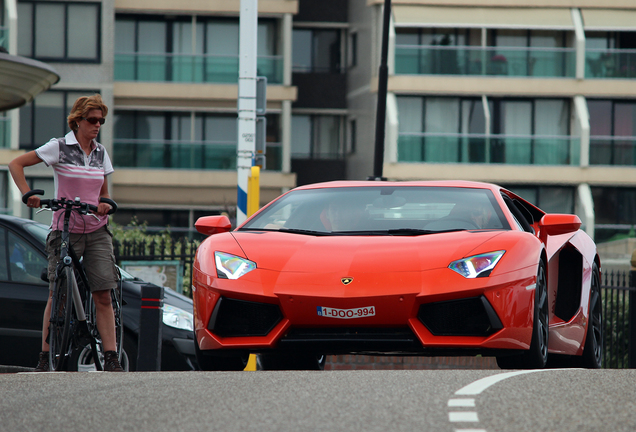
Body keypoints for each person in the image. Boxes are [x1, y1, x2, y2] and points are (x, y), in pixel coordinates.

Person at [8, 94, 124, 372]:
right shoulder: (59, 147)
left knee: (103, 294)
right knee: (56, 294)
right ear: (77, 121)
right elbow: (16, 164)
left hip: (96, 231)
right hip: (65, 229)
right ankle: (44, 356)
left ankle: (110, 357)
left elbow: (104, 193)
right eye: (92, 120)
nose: (97, 125)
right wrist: (28, 195)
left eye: (101, 121)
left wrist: (105, 204)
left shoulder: (101, 153)